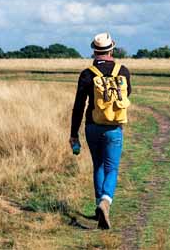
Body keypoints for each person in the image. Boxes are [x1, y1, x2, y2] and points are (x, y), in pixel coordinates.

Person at [70, 32, 133, 229]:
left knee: (98, 165)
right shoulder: (123, 71)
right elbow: (127, 94)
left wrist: (74, 133)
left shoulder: (87, 74)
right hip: (114, 127)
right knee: (111, 167)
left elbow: (79, 106)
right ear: (111, 49)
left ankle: (100, 206)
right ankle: (106, 201)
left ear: (94, 51)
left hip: (92, 126)